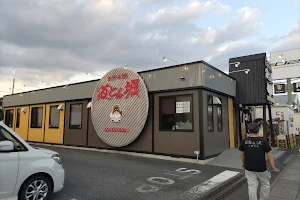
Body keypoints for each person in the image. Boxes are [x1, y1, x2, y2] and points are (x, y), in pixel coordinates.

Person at [239, 123, 280, 200]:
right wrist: (273, 166)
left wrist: (243, 164)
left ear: (248, 131)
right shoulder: (263, 141)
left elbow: (241, 155)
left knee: (252, 186)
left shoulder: (244, 141)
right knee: (265, 184)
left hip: (249, 168)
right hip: (262, 168)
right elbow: (269, 156)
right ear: (258, 131)